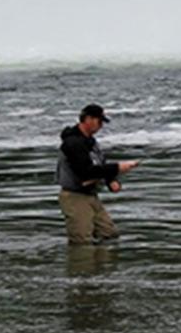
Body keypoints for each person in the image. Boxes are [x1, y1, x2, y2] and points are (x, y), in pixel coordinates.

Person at [56, 103, 139, 244]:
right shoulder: (73, 143)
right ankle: (81, 265)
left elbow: (100, 165)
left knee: (109, 234)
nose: (101, 126)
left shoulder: (91, 142)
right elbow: (86, 172)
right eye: (99, 121)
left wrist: (111, 180)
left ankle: (100, 265)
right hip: (75, 198)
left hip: (90, 196)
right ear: (88, 119)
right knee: (81, 242)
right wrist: (118, 167)